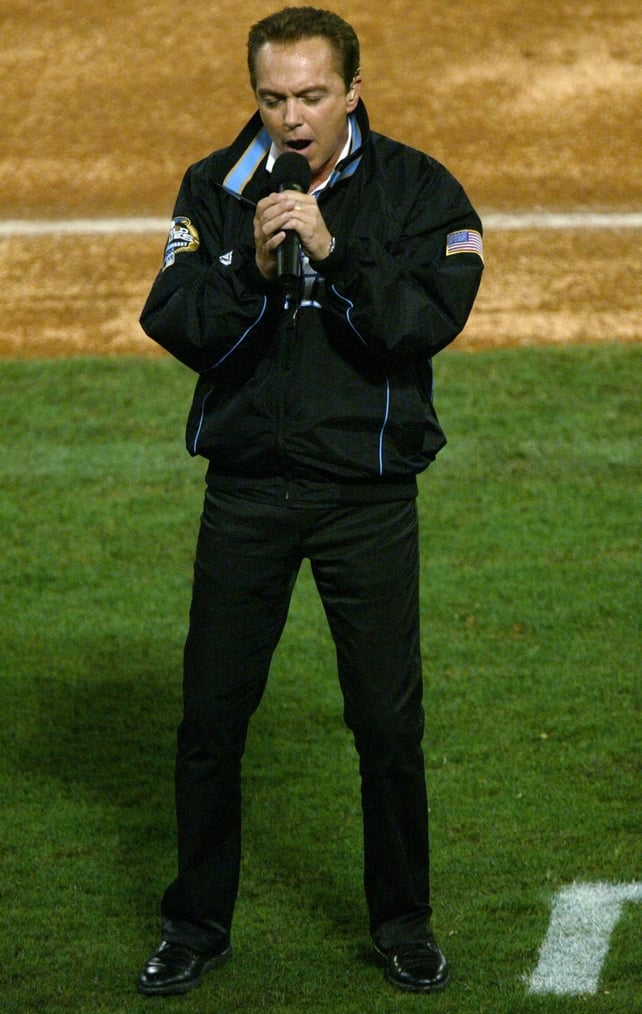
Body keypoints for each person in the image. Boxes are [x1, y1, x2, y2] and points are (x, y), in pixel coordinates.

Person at [136, 5, 483, 998]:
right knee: (210, 719)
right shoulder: (216, 186)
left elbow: (420, 324)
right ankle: (195, 927)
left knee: (386, 722)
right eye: (273, 97)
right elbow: (174, 319)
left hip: (365, 500)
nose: (292, 118)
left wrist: (334, 253)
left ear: (353, 92)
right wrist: (249, 267)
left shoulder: (419, 191)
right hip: (245, 496)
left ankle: (403, 923)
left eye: (312, 96)